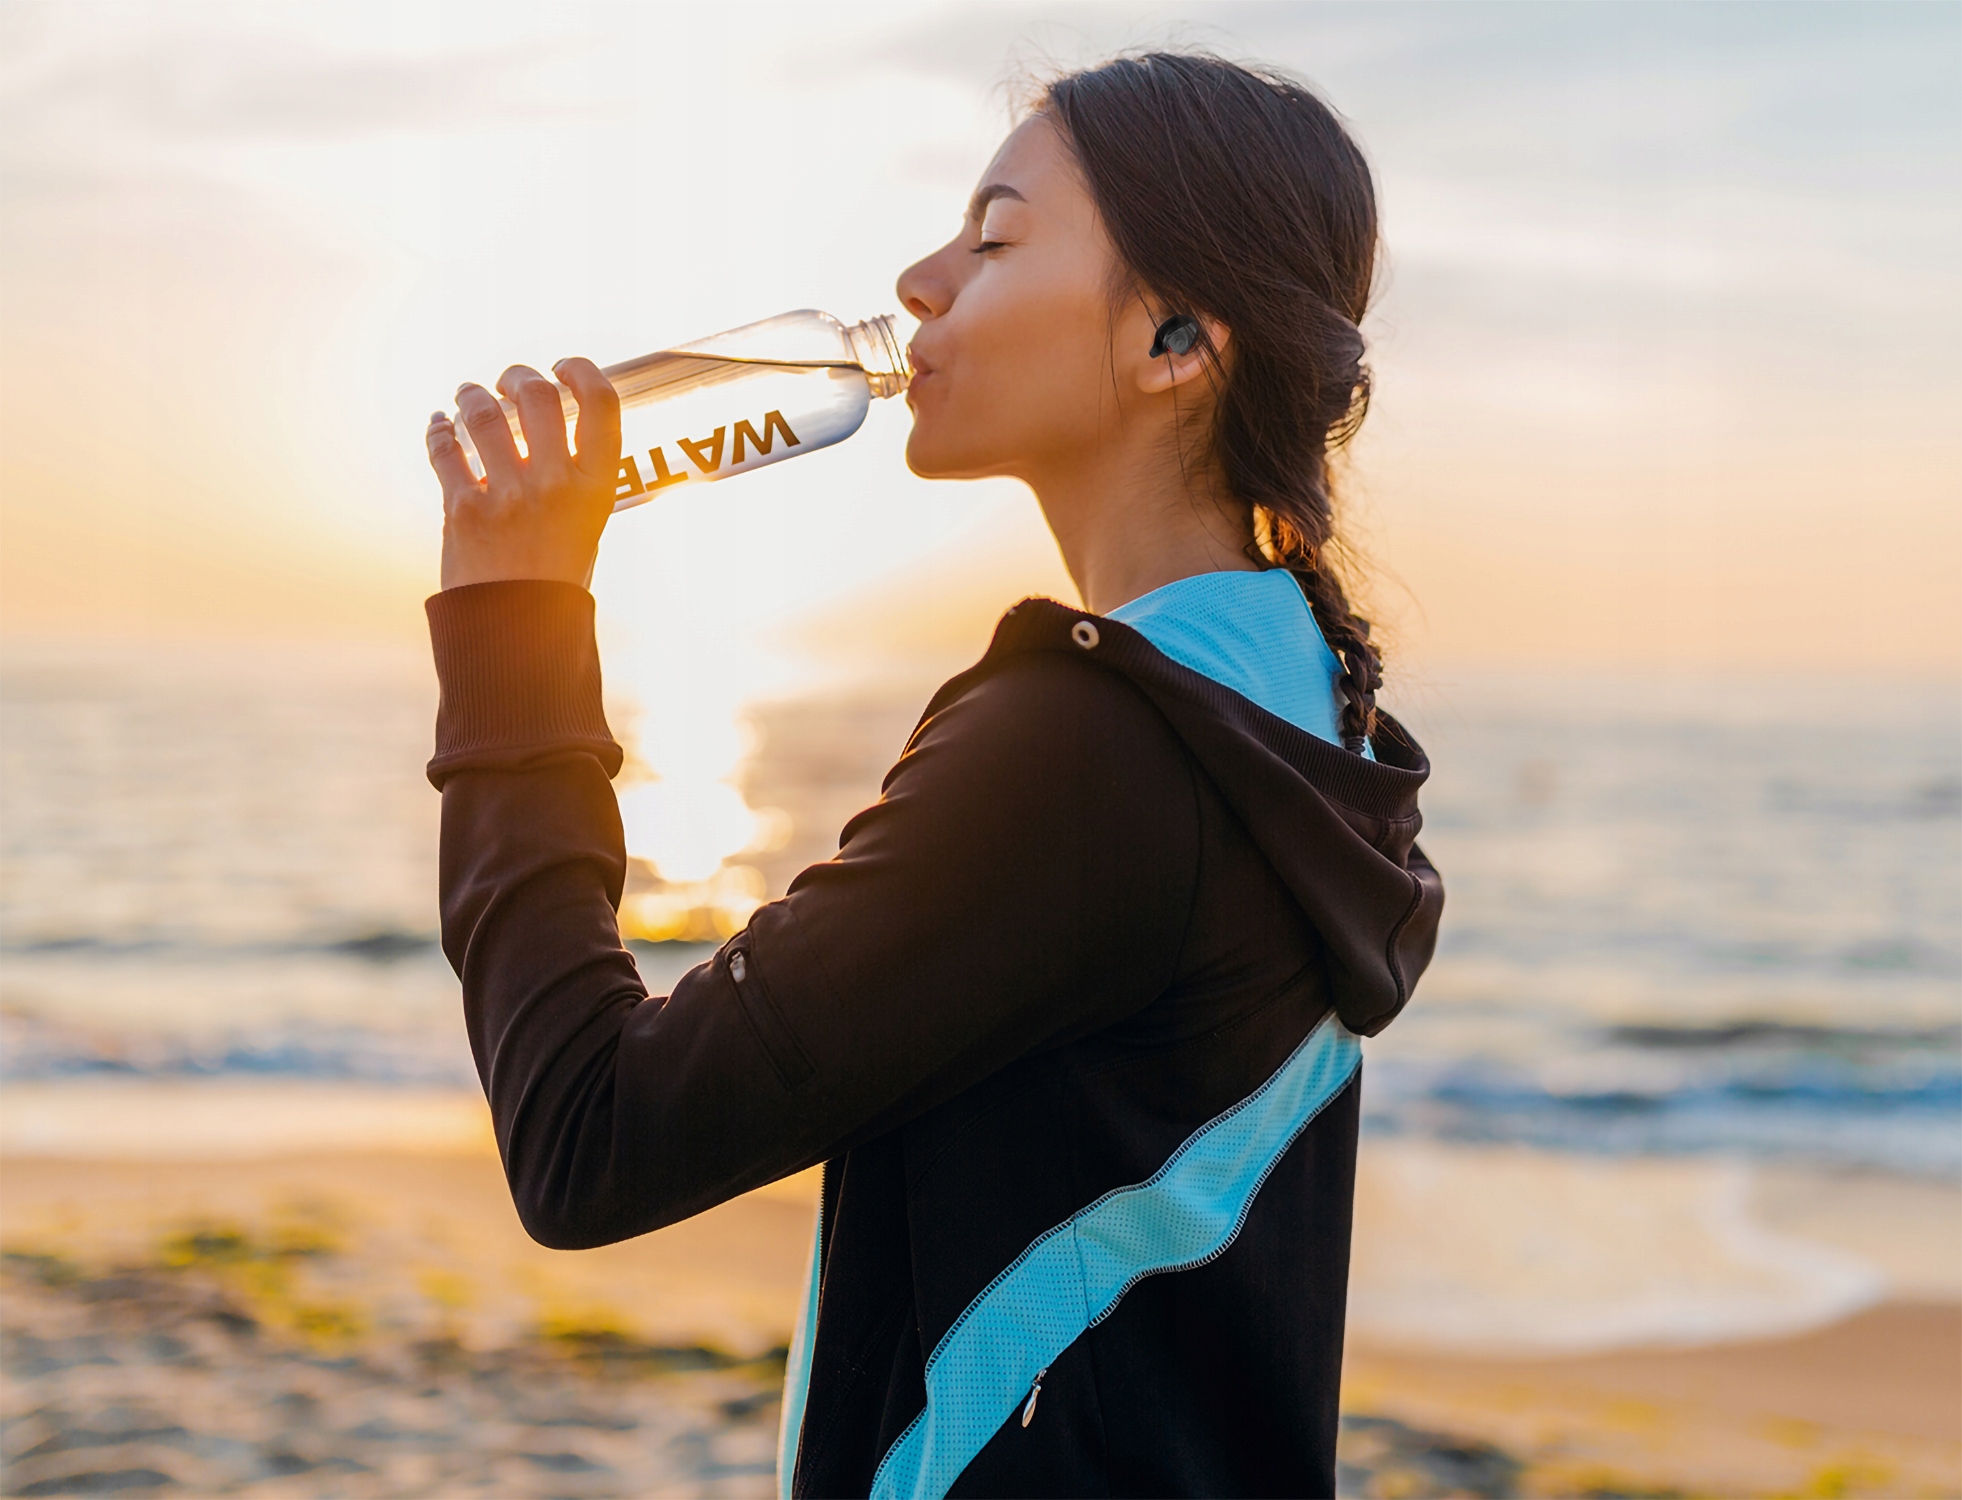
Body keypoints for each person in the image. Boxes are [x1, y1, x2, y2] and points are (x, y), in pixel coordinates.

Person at [422, 51, 1443, 1500]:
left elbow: (592, 1137)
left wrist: (513, 625)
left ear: (1173, 341)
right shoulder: (1305, 710)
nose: (918, 281)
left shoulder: (1089, 747)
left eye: (996, 237)